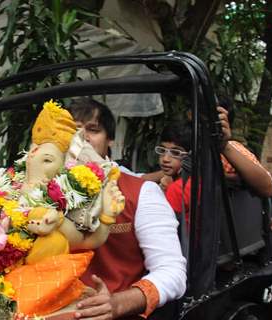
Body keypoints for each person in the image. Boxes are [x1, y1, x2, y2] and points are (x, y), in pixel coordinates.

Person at [69, 98, 186, 319]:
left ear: (110, 140)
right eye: (73, 129)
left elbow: (172, 272)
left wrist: (118, 304)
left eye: (92, 130)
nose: (81, 136)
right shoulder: (39, 189)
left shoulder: (141, 193)